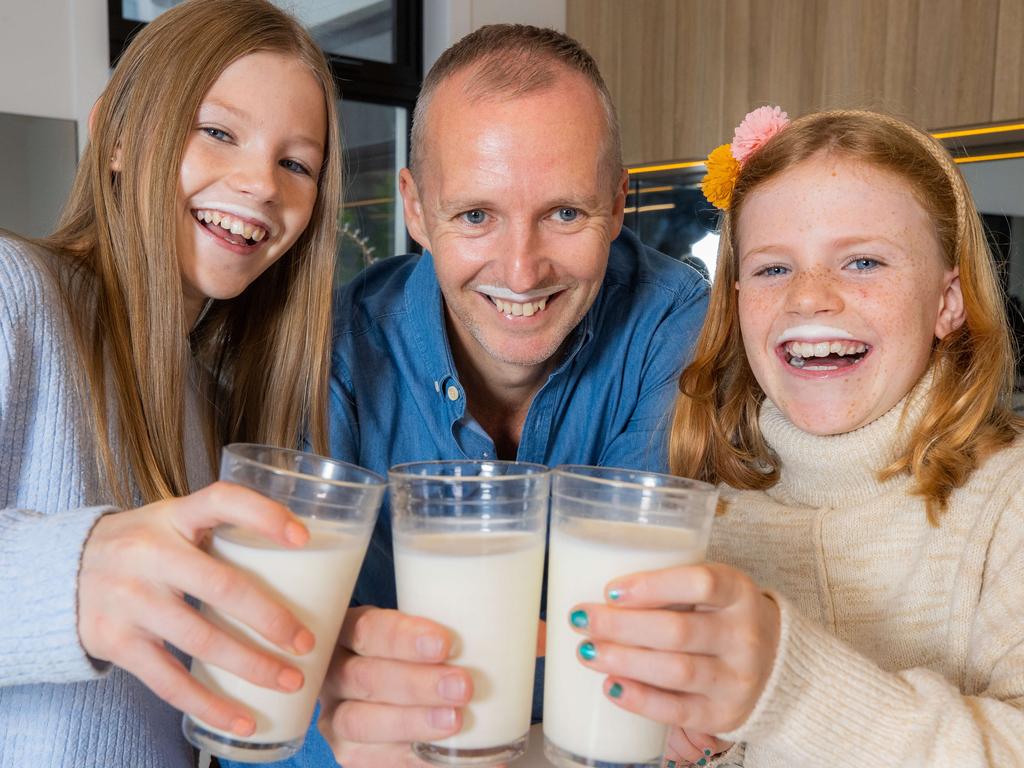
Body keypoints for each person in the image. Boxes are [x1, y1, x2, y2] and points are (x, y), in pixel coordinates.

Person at [286, 24, 710, 768]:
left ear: (617, 205)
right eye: (476, 215)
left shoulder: (672, 323)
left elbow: (635, 632)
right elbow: (279, 680)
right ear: (415, 210)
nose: (521, 271)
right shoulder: (332, 353)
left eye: (565, 213)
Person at [565, 107, 1024, 767]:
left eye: (863, 261)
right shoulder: (706, 517)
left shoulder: (1007, 506)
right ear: (737, 298)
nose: (809, 298)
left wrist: (788, 691)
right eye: (775, 269)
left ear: (948, 302)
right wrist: (692, 738)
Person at [0, 1, 343, 765]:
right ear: (117, 136)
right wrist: (70, 573)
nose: (260, 184)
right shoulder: (11, 292)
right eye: (218, 132)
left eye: (297, 164)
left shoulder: (211, 400)